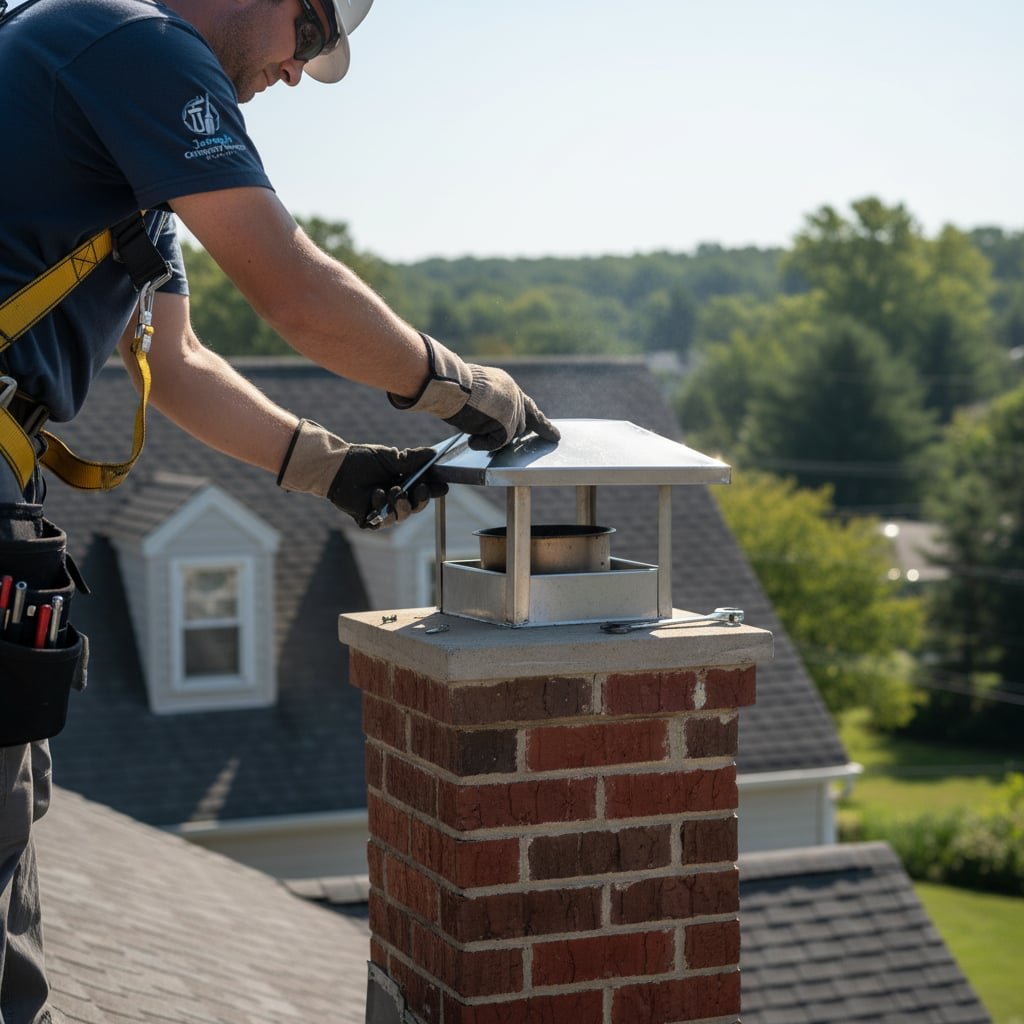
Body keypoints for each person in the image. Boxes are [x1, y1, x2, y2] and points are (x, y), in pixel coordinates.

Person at [0, 0, 559, 1019]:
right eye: (306, 38)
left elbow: (177, 363)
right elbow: (292, 288)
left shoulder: (119, 124)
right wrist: (458, 385)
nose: (297, 73)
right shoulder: (139, 42)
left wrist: (328, 465)